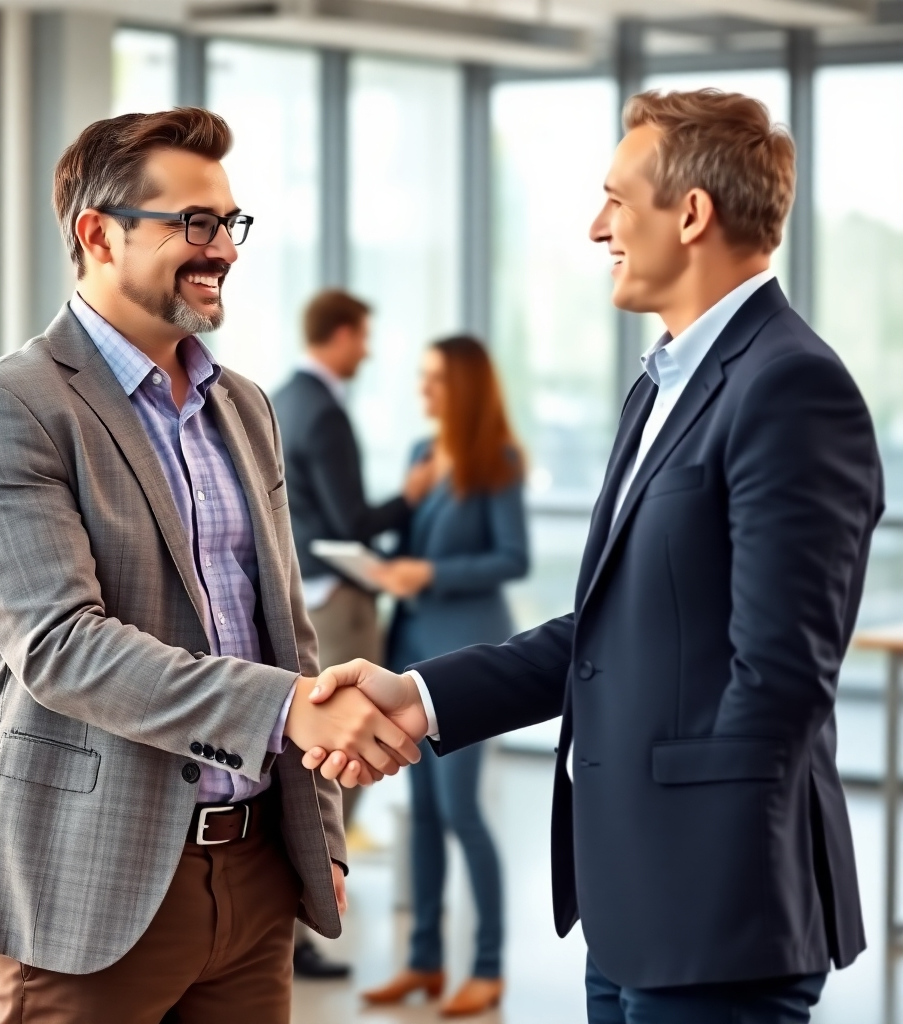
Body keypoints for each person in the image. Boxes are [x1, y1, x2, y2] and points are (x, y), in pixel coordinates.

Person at [303, 89, 884, 1024]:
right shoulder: (662, 384)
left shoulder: (790, 388)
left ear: (690, 214)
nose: (595, 226)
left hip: (709, 917)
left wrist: (683, 895)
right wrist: (419, 695)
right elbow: (606, 631)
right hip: (630, 909)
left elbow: (780, 682)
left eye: (616, 199)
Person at [0, 107, 418, 1024]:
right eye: (193, 223)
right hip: (89, 886)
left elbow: (288, 636)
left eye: (228, 223)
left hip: (257, 875)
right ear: (98, 234)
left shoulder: (245, 406)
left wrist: (320, 845)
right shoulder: (3, 409)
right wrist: (286, 708)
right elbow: (64, 647)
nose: (222, 248)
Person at [361, 336, 528, 1017]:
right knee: (423, 813)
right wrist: (382, 557)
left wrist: (428, 573)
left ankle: (488, 967)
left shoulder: (499, 461)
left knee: (461, 809)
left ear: (463, 386)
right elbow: (406, 547)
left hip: (465, 654)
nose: (423, 389)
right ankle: (424, 962)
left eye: (434, 379)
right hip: (411, 648)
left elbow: (511, 558)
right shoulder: (422, 458)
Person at [271, 289, 433, 978]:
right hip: (337, 601)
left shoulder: (276, 397)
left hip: (301, 589)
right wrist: (414, 494)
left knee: (316, 759)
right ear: (338, 335)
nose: (367, 350)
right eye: (362, 336)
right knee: (343, 759)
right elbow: (352, 520)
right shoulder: (325, 411)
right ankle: (303, 919)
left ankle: (296, 915)